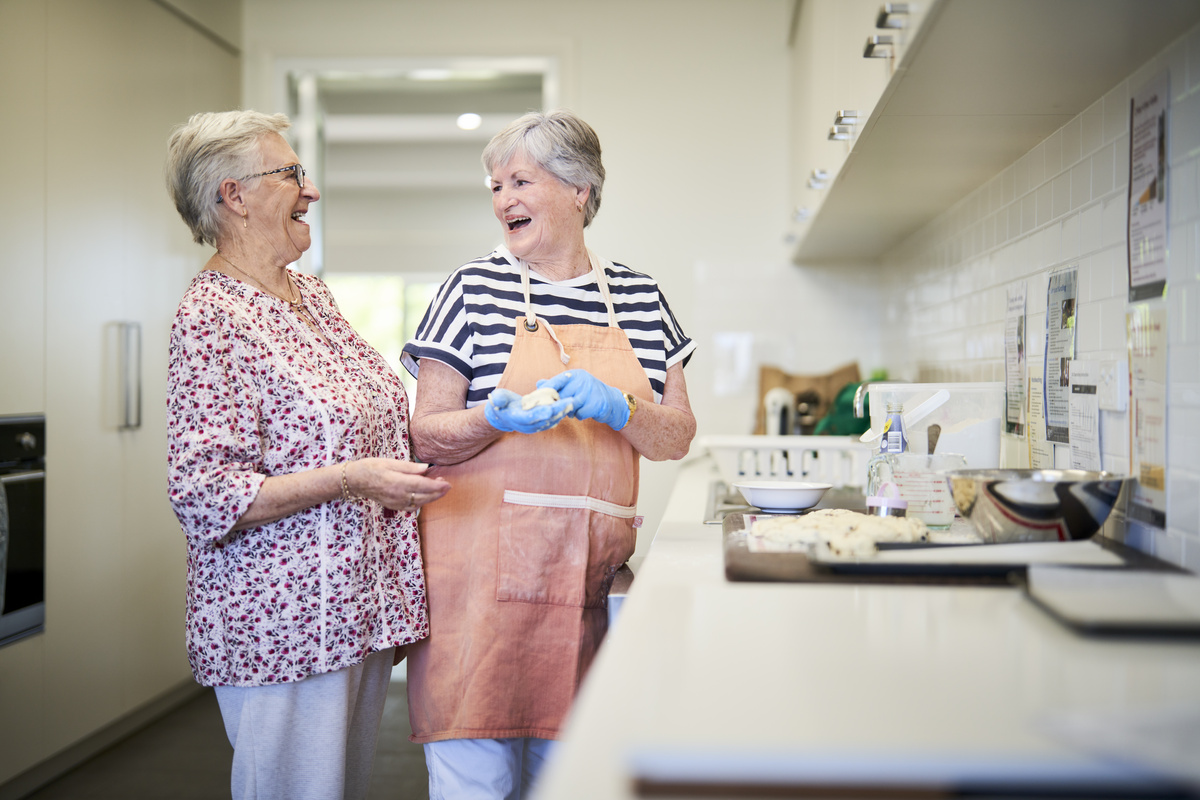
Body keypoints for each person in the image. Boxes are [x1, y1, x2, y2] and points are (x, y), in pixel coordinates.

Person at [400, 109, 698, 799]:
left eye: (520, 181)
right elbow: (425, 431)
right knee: (476, 784)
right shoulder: (471, 290)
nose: (504, 200)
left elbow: (677, 436)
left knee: (576, 782)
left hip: (584, 587)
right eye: (495, 185)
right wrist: (491, 419)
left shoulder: (641, 297)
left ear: (579, 190)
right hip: (476, 590)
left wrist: (619, 407)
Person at [164, 110, 450, 800]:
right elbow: (204, 492)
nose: (311, 189)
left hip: (354, 609)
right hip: (281, 624)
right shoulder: (211, 316)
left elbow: (371, 420)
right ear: (233, 195)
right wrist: (352, 478)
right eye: (292, 173)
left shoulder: (310, 297)